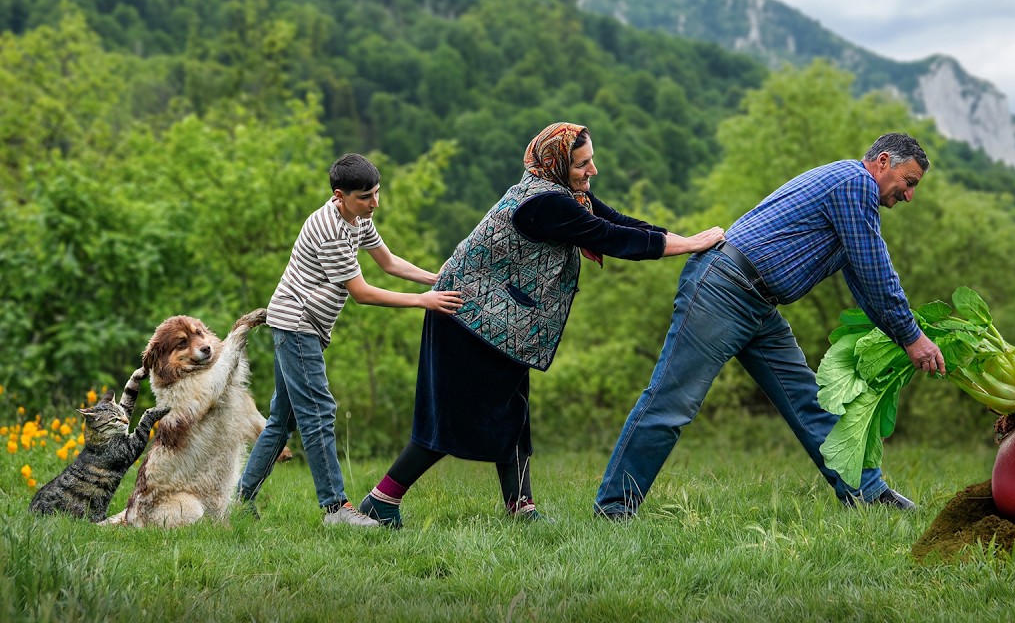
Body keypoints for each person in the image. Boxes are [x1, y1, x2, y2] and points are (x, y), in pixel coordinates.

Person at [357, 122, 724, 527]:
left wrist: (689, 237)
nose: (593, 170)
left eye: (591, 160)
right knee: (453, 416)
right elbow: (611, 239)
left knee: (512, 409)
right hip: (465, 316)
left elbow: (621, 222)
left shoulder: (563, 193)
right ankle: (381, 501)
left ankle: (521, 506)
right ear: (557, 163)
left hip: (502, 321)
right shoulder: (546, 203)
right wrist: (690, 245)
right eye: (583, 163)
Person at [594, 132, 946, 519]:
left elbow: (864, 281)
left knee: (808, 400)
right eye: (908, 183)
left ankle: (867, 492)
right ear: (882, 162)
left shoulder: (852, 194)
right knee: (672, 401)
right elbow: (876, 271)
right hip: (724, 290)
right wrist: (913, 337)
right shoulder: (854, 183)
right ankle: (613, 508)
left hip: (757, 303)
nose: (909, 195)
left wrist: (902, 334)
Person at [238, 154, 463, 527]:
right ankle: (335, 509)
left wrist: (435, 280)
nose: (375, 203)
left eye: (376, 193)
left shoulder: (358, 219)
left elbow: (388, 263)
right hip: (297, 324)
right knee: (319, 413)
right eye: (365, 197)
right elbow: (361, 292)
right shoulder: (330, 229)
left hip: (297, 323)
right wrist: (423, 302)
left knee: (282, 419)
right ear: (340, 196)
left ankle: (238, 500)